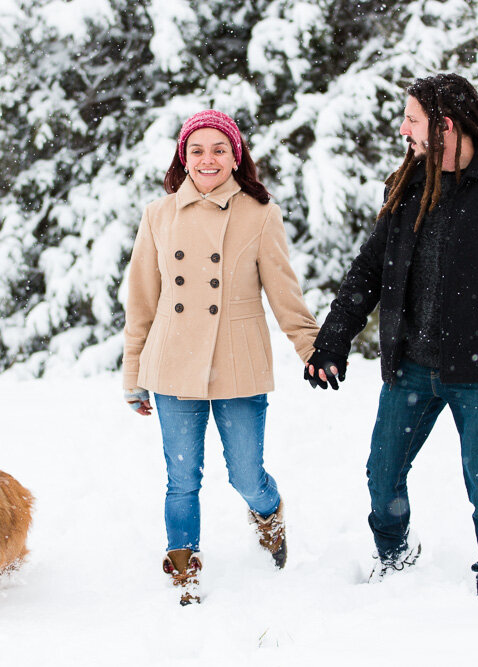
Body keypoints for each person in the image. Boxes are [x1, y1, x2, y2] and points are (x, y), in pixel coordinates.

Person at [305, 73, 478, 596]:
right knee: (382, 477)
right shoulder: (409, 185)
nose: (403, 128)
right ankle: (395, 556)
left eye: (413, 119)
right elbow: (368, 270)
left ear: (444, 126)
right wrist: (332, 340)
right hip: (412, 367)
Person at [122, 109, 319, 605]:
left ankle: (268, 511)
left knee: (245, 473)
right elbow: (143, 299)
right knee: (182, 478)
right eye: (196, 150)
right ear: (183, 158)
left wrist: (311, 349)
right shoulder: (158, 216)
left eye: (219, 150)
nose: (207, 160)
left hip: (237, 361)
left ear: (236, 157)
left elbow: (284, 294)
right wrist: (133, 374)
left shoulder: (260, 214)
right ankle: (183, 563)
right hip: (173, 364)